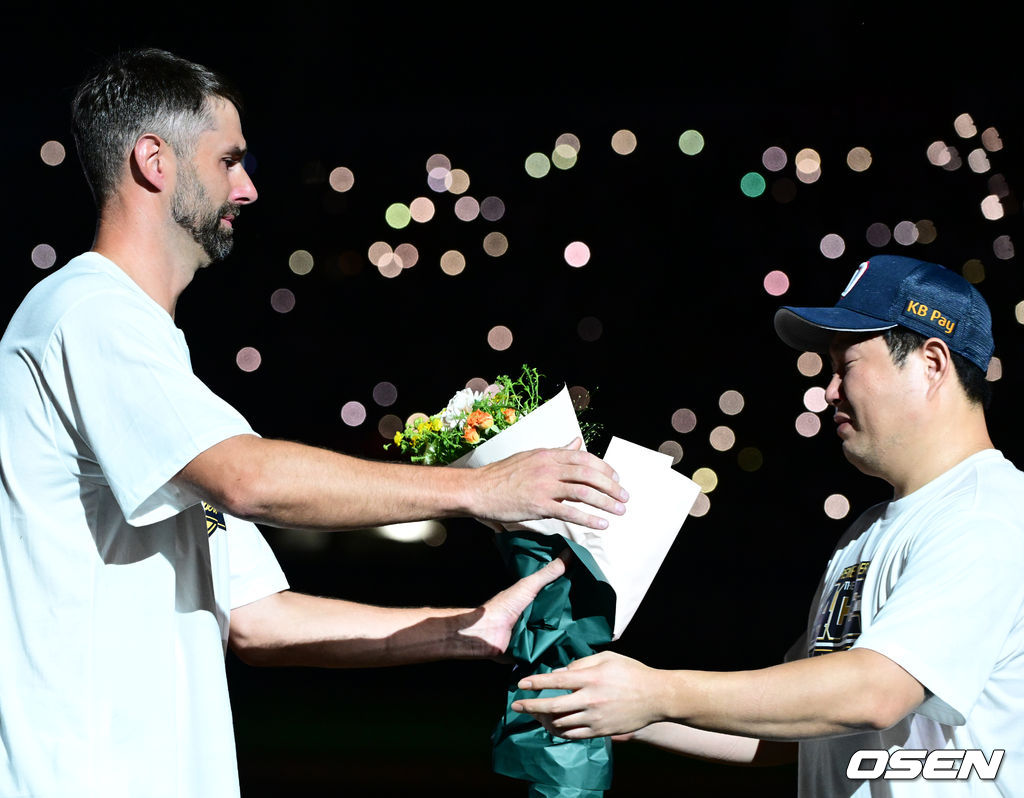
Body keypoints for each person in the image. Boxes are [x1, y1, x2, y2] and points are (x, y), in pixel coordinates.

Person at [0, 48, 630, 797]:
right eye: (230, 160)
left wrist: (468, 628)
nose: (248, 188)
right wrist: (477, 490)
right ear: (153, 160)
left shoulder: (147, 356)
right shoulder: (89, 313)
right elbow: (250, 478)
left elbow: (257, 619)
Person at [512, 254, 1024, 796]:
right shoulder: (871, 529)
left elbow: (874, 694)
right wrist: (617, 705)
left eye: (845, 365)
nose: (828, 391)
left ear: (932, 363)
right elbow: (792, 731)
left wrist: (658, 692)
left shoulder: (987, 514)